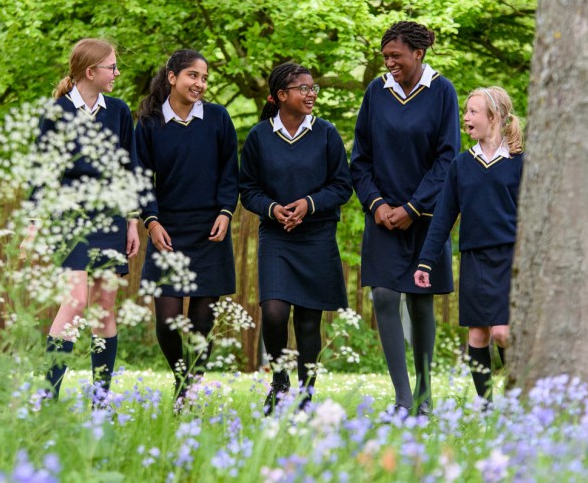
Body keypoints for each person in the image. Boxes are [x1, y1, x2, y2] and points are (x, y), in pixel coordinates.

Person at [350, 21, 461, 417]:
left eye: (396, 55)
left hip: (427, 216)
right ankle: (402, 397)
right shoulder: (375, 93)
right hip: (381, 217)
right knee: (383, 295)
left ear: (419, 53)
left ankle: (424, 396)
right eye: (385, 57)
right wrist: (377, 204)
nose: (389, 62)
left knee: (420, 300)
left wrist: (413, 208)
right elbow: (359, 159)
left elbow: (448, 157)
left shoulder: (443, 92)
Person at [25, 38, 140, 401]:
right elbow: (41, 173)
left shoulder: (119, 111)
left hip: (110, 218)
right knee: (75, 299)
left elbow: (129, 167)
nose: (117, 73)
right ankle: (48, 397)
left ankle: (101, 402)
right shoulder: (55, 113)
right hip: (69, 217)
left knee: (104, 304)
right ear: (90, 72)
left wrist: (133, 221)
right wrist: (32, 225)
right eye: (112, 67)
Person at [239, 62, 352, 414]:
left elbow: (342, 186)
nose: (311, 94)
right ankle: (279, 381)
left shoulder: (327, 133)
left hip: (316, 235)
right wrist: (273, 209)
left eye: (313, 88)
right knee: (273, 312)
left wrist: (309, 204)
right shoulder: (260, 136)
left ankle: (305, 396)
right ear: (281, 96)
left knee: (307, 320)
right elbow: (248, 190)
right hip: (276, 237)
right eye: (303, 88)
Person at [135, 50, 238, 403]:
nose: (200, 84)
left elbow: (229, 171)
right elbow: (139, 178)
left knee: (201, 324)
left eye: (205, 78)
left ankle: (188, 391)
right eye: (193, 75)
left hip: (211, 230)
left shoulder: (218, 118)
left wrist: (226, 212)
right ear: (172, 77)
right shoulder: (148, 123)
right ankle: (183, 380)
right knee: (166, 321)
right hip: (167, 231)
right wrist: (150, 220)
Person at [415, 86, 523, 404]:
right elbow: (443, 217)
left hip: (510, 258)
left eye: (473, 112)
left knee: (503, 332)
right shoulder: (460, 165)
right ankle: (487, 407)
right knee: (477, 334)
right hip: (474, 258)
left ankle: (519, 400)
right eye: (466, 111)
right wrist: (425, 262)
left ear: (496, 117)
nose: (466, 118)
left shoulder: (520, 163)